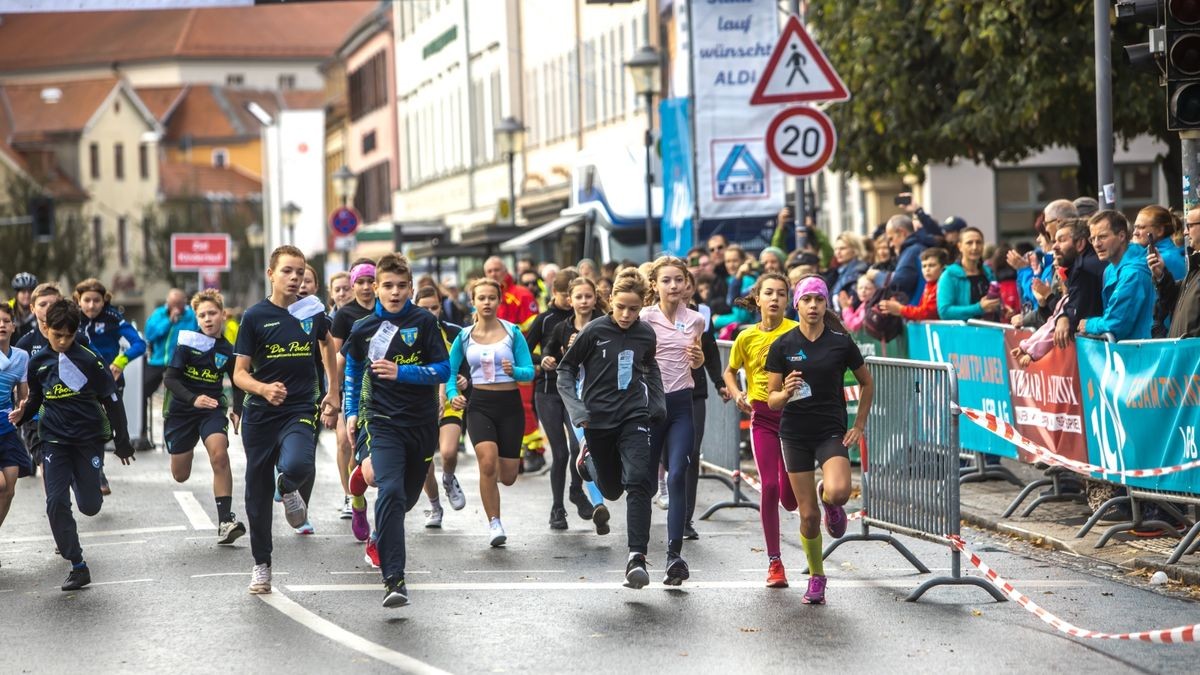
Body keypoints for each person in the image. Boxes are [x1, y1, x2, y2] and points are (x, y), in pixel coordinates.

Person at [342, 253, 449, 607]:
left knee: (405, 499)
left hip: (420, 424)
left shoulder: (424, 323)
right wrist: (351, 412)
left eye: (402, 286)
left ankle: (380, 536)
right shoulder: (363, 329)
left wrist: (404, 372)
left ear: (411, 288)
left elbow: (443, 370)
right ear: (376, 288)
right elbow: (354, 372)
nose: (395, 292)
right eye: (388, 286)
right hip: (382, 421)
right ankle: (394, 579)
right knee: (388, 490)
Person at [233, 245, 340, 594]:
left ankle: (289, 486)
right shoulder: (254, 317)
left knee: (297, 464)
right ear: (271, 275)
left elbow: (328, 344)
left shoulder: (312, 312)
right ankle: (261, 564)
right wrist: (263, 389)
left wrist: (332, 390)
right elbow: (239, 374)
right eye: (287, 272)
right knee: (257, 490)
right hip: (261, 416)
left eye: (300, 272)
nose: (295, 278)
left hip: (299, 408)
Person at [9, 299, 135, 591]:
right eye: (57, 334)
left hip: (87, 440)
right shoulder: (38, 362)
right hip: (53, 439)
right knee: (55, 502)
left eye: (68, 334)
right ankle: (78, 564)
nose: (63, 340)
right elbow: (37, 398)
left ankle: (84, 483)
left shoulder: (90, 359)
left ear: (76, 331)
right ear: (46, 328)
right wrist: (23, 413)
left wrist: (123, 442)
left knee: (90, 506)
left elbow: (112, 401)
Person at [765, 276, 874, 605]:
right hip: (794, 433)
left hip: (830, 431)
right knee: (808, 517)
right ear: (795, 304)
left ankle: (829, 500)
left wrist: (859, 424)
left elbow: (867, 384)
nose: (813, 306)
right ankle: (817, 576)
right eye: (807, 300)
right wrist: (785, 391)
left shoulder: (841, 343)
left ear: (826, 305)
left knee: (840, 491)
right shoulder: (782, 345)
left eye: (819, 300)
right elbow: (771, 399)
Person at [557, 270, 667, 587]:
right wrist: (577, 409)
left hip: (634, 415)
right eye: (620, 307)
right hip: (597, 420)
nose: (626, 315)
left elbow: (650, 366)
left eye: (633, 309)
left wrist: (657, 403)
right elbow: (566, 370)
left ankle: (636, 558)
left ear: (642, 305)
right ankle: (586, 459)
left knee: (637, 482)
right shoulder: (594, 331)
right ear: (611, 301)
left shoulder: (645, 334)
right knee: (610, 490)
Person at [446, 278, 535, 546]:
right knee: (487, 462)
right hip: (480, 404)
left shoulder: (512, 333)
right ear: (472, 301)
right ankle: (494, 523)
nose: (486, 302)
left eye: (491, 298)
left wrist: (514, 371)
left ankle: (493, 480)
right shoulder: (463, 336)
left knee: (508, 476)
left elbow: (529, 372)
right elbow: (449, 373)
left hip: (510, 406)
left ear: (499, 301)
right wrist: (453, 395)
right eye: (481, 298)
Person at [724, 272, 799, 588]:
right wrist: (737, 393)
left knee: (791, 500)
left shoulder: (797, 332)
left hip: (796, 419)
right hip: (764, 419)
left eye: (781, 294)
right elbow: (730, 371)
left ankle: (821, 494)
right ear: (757, 299)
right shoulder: (745, 337)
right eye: (769, 293)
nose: (775, 299)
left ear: (788, 300)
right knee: (769, 487)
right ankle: (775, 562)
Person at [162, 290, 246, 545]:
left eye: (212, 313)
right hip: (182, 412)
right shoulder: (187, 342)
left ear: (222, 314)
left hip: (211, 410)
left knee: (220, 455)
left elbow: (238, 382)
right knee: (180, 475)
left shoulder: (228, 349)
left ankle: (225, 521)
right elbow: (170, 378)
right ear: (196, 319)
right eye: (202, 315)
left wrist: (237, 410)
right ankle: (182, 449)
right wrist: (192, 398)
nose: (208, 319)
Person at [641, 258, 705, 573]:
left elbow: (696, 362)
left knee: (678, 473)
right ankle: (636, 551)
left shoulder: (695, 320)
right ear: (655, 284)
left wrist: (699, 359)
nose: (674, 286)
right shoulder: (644, 318)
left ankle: (674, 555)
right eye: (666, 280)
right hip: (651, 405)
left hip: (681, 403)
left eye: (678, 280)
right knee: (646, 484)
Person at [545, 277, 609, 533]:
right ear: (569, 300)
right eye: (579, 297)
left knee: (595, 448)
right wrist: (552, 357)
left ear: (595, 298)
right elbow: (548, 350)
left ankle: (589, 494)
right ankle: (598, 505)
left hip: (602, 393)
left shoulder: (606, 324)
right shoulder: (562, 328)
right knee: (584, 446)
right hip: (575, 393)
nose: (584, 302)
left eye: (588, 296)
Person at [15, 284, 91, 478]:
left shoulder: (79, 340)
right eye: (42, 304)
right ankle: (55, 506)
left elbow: (94, 376)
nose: (48, 308)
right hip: (36, 417)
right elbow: (16, 381)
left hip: (72, 415)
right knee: (47, 466)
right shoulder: (25, 344)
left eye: (53, 304)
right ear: (32, 308)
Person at [527, 269, 583, 529]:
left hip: (576, 391)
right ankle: (557, 508)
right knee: (559, 452)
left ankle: (576, 489)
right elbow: (524, 352)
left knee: (578, 448)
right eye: (565, 296)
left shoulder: (585, 318)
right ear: (555, 294)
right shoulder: (545, 320)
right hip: (548, 391)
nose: (571, 301)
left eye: (576, 295)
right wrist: (543, 360)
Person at [413, 285, 469, 531]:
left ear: (440, 307)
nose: (429, 312)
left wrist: (466, 380)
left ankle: (448, 478)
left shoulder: (455, 332)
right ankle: (435, 507)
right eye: (423, 308)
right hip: (420, 404)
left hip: (450, 400)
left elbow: (468, 365)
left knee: (448, 452)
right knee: (424, 464)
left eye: (434, 307)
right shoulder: (408, 334)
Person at [482, 256, 544, 472]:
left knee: (524, 407)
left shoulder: (522, 295)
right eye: (489, 271)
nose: (493, 274)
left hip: (519, 362)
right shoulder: (485, 297)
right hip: (493, 367)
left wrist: (532, 362)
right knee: (503, 411)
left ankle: (535, 451)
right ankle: (513, 457)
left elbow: (533, 333)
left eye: (496, 270)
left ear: (505, 270)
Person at [330, 260, 377, 537]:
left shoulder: (388, 312)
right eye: (359, 282)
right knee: (344, 441)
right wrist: (333, 394)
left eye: (371, 281)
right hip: (352, 388)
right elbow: (337, 359)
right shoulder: (346, 316)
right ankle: (352, 495)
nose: (365, 287)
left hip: (388, 391)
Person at [1081, 210, 1154, 340]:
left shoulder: (1133, 273)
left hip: (1144, 352)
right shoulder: (1110, 269)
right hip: (1129, 351)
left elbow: (1115, 324)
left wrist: (1088, 324)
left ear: (1121, 236)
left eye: (1102, 237)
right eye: (1092, 238)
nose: (1096, 244)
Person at [143, 289, 199, 447]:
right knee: (142, 390)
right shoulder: (159, 314)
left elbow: (196, 336)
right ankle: (140, 433)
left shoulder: (191, 316)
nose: (175, 308)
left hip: (180, 363)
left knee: (179, 395)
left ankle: (177, 433)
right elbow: (150, 334)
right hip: (158, 361)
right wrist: (169, 321)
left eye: (179, 305)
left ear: (184, 303)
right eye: (172, 304)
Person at [74, 279, 147, 384]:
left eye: (96, 300)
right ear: (79, 301)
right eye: (87, 300)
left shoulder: (113, 317)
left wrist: (121, 361)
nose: (91, 305)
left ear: (103, 301)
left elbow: (140, 344)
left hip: (111, 378)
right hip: (81, 380)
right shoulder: (72, 318)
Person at [0, 303, 30, 538]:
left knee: (8, 490)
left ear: (13, 326)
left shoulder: (21, 357)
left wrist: (23, 408)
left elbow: (24, 396)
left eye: (6, 321)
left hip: (6, 429)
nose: (1, 325)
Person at [1133, 206, 1187, 337]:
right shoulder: (1163, 254)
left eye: (1141, 227)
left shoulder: (1162, 259)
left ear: (1160, 230)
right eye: (1135, 227)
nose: (1135, 232)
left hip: (1165, 334)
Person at [937, 227, 1002, 321]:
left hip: (991, 332)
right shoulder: (949, 275)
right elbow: (944, 312)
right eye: (969, 243)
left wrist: (1002, 309)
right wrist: (978, 308)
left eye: (978, 242)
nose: (975, 247)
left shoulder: (989, 273)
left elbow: (992, 304)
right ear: (960, 246)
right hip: (964, 333)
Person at [1158, 208, 1200, 338]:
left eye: (1189, 226)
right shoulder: (1195, 268)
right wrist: (1161, 274)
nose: (1186, 232)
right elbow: (1175, 297)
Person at [880, 247, 947, 321]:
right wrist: (897, 308)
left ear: (942, 268)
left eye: (931, 265)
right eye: (924, 266)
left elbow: (926, 313)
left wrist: (900, 309)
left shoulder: (942, 285)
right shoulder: (928, 285)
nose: (927, 270)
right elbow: (921, 310)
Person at [884, 214, 929, 304]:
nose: (891, 245)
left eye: (891, 239)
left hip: (914, 311)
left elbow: (900, 283)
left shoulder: (912, 252)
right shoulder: (914, 249)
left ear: (902, 233)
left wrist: (878, 276)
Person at [829, 233, 869, 311]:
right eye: (836, 249)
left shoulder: (860, 271)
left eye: (842, 248)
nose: (838, 252)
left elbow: (854, 302)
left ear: (855, 250)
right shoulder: (840, 272)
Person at [8, 272, 38, 343]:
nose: (27, 295)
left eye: (30, 291)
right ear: (17, 294)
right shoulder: (8, 311)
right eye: (23, 291)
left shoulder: (39, 312)